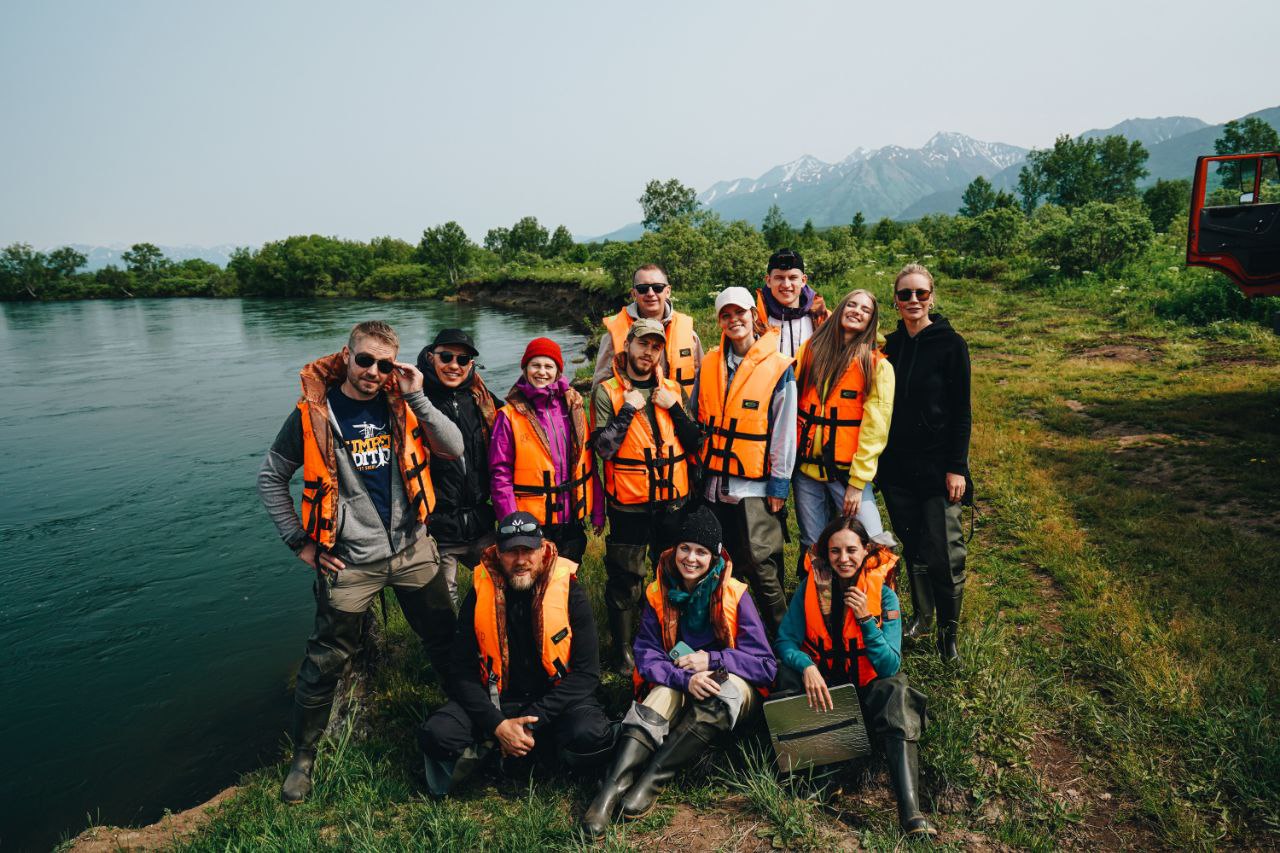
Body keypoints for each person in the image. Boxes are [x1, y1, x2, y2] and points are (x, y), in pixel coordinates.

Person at [257, 320, 464, 804]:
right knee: (325, 660)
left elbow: (452, 447)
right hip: (350, 562)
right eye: (365, 360)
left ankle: (467, 713)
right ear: (347, 356)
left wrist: (417, 395)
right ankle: (303, 760)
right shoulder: (313, 413)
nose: (373, 372)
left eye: (384, 364)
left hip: (413, 549)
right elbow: (271, 478)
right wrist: (299, 542)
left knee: (445, 639)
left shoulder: (402, 403)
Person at [581, 506, 776, 836]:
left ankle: (651, 780)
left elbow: (765, 665)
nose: (691, 559)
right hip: (683, 679)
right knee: (658, 696)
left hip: (730, 684)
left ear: (713, 557)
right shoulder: (659, 592)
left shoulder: (735, 593)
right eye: (685, 548)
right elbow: (647, 655)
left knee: (721, 693)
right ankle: (609, 790)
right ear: (674, 549)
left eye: (701, 552)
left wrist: (711, 661)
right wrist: (686, 678)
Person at [418, 511, 614, 792]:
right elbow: (460, 673)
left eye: (528, 550)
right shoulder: (478, 595)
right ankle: (509, 744)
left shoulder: (570, 590)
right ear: (498, 553)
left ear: (542, 549)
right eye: (511, 552)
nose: (521, 560)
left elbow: (587, 674)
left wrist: (532, 721)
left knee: (590, 733)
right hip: (498, 700)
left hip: (554, 701)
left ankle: (515, 748)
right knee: (437, 734)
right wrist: (497, 724)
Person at [774, 516, 935, 839]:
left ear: (866, 551)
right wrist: (806, 666)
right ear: (825, 553)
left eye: (851, 550)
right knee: (786, 673)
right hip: (827, 694)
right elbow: (785, 641)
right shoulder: (810, 586)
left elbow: (889, 665)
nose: (843, 559)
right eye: (835, 551)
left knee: (896, 690)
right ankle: (817, 777)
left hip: (868, 694)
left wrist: (865, 620)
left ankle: (910, 813)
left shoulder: (884, 595)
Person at [591, 318, 703, 676]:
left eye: (655, 346)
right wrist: (628, 410)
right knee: (626, 577)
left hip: (673, 501)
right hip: (629, 503)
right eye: (643, 344)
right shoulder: (607, 391)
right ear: (629, 346)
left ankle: (670, 637)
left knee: (672, 573)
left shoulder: (671, 388)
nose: (648, 352)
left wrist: (672, 406)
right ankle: (623, 648)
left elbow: (694, 441)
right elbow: (604, 448)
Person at [875, 263, 971, 663]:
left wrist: (957, 467)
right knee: (912, 545)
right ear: (895, 301)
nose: (913, 300)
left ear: (932, 296)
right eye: (905, 294)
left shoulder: (951, 345)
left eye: (920, 293)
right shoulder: (890, 347)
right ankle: (922, 616)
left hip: (937, 469)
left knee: (945, 552)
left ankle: (949, 635)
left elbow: (962, 411)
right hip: (897, 469)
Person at [690, 286, 797, 637]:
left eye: (740, 313)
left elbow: (784, 432)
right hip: (713, 487)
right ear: (719, 321)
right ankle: (735, 635)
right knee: (723, 565)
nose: (734, 320)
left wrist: (780, 484)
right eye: (726, 314)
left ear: (754, 315)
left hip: (755, 485)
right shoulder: (709, 365)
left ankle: (785, 641)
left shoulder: (779, 368)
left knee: (761, 563)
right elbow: (695, 418)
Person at [793, 289, 896, 559]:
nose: (856, 311)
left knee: (873, 542)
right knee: (814, 545)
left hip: (847, 474)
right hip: (807, 471)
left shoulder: (876, 366)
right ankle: (821, 600)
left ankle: (876, 600)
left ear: (871, 321)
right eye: (852, 304)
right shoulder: (810, 351)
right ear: (840, 309)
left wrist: (857, 483)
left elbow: (876, 430)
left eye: (865, 310)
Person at [489, 337, 604, 563]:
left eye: (549, 366)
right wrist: (513, 524)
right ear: (525, 369)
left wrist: (598, 510)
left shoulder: (574, 407)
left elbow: (589, 465)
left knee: (567, 580)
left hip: (571, 519)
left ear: (558, 371)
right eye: (535, 365)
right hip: (532, 523)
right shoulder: (508, 416)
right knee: (533, 585)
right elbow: (500, 475)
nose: (542, 372)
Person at [416, 328, 499, 608]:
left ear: (471, 365)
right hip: (437, 527)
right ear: (431, 357)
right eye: (446, 357)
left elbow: (519, 415)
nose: (454, 365)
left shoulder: (480, 397)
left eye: (463, 360)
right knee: (443, 602)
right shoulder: (413, 400)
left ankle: (490, 646)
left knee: (497, 590)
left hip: (481, 521)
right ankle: (455, 651)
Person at [592, 263, 704, 393]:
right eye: (643, 288)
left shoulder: (689, 335)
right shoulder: (613, 334)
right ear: (634, 294)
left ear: (667, 291)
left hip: (678, 410)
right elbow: (600, 386)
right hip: (632, 410)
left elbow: (702, 384)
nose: (650, 293)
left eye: (657, 288)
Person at [754, 248, 831, 358]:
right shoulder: (756, 322)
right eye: (779, 278)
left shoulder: (823, 319)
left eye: (793, 277)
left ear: (803, 280)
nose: (786, 284)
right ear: (768, 281)